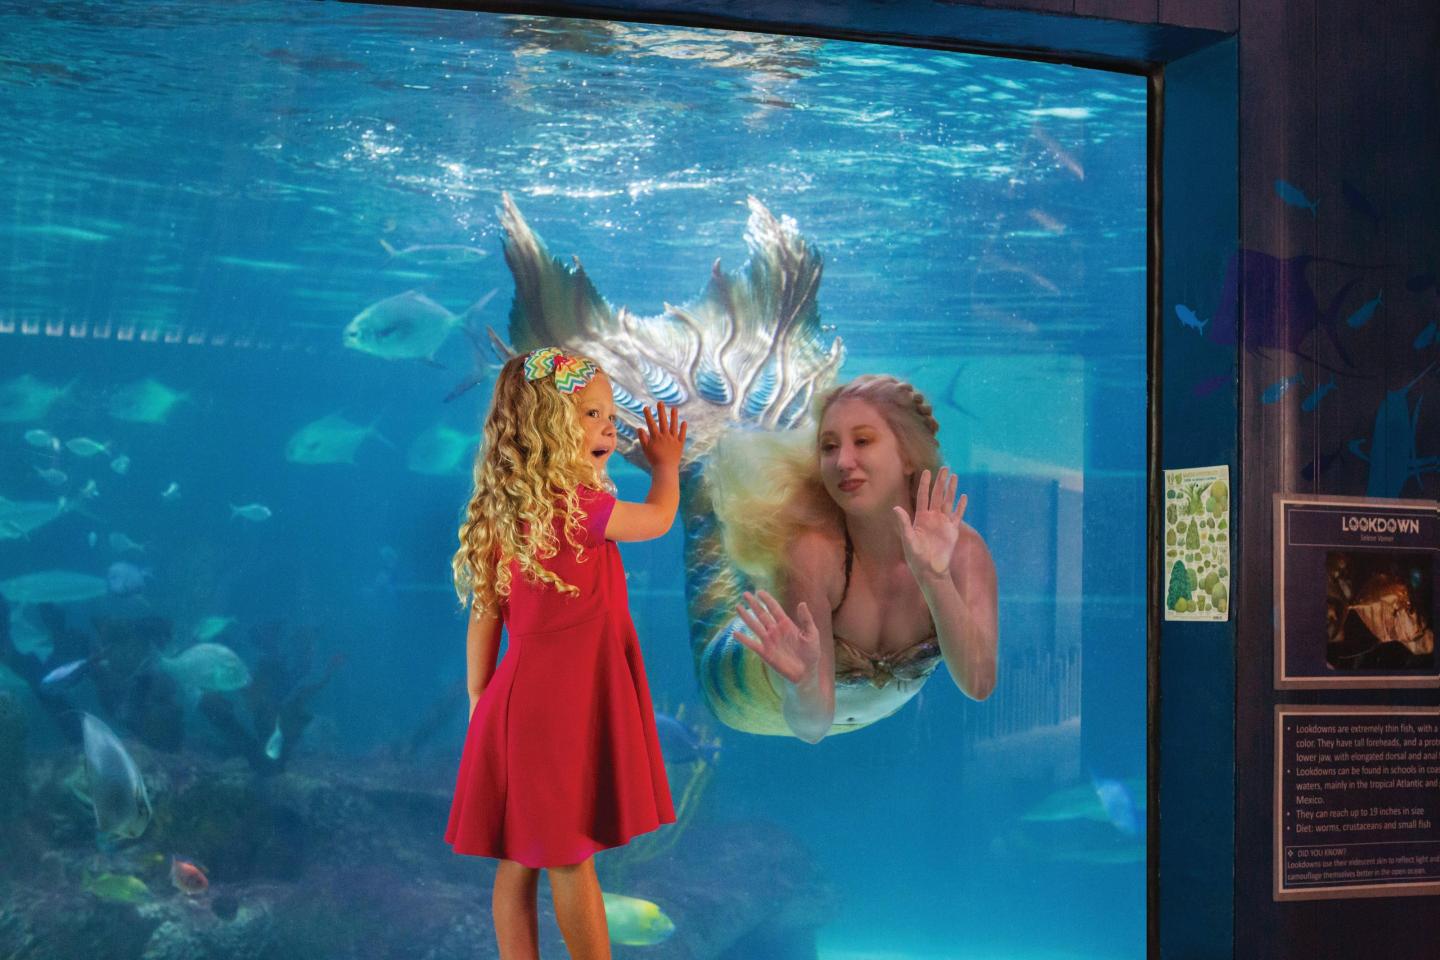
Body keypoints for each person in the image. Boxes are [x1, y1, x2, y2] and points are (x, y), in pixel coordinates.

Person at [445, 347, 688, 960]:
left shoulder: (507, 515)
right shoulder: (582, 510)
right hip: (561, 711)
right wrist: (666, 466)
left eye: (608, 413)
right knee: (570, 859)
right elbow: (659, 518)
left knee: (517, 861)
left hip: (514, 702)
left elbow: (486, 614)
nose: (609, 426)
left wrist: (479, 696)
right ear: (545, 427)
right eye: (589, 413)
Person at [701, 373, 998, 742]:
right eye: (828, 446)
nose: (842, 461)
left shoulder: (963, 551)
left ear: (908, 453)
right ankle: (689, 464)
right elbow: (812, 727)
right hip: (741, 690)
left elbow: (980, 684)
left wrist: (935, 578)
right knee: (706, 568)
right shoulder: (815, 553)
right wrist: (803, 682)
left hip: (853, 720)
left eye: (863, 441)